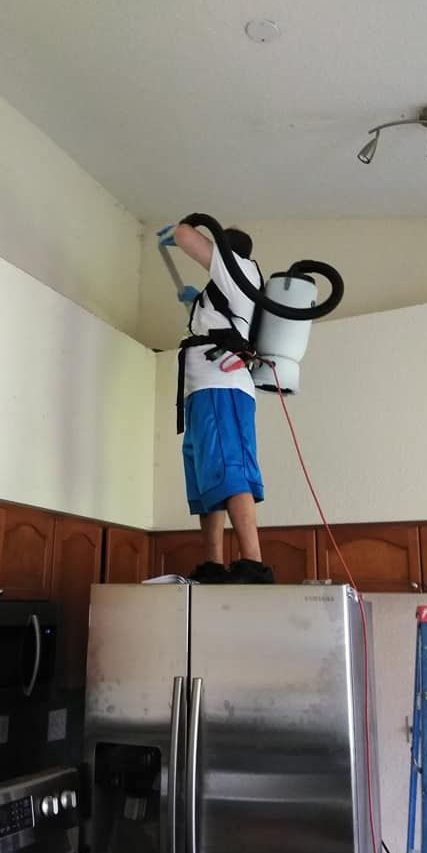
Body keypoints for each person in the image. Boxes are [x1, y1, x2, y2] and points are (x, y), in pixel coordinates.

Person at [158, 220, 274, 584]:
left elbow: (185, 236)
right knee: (207, 477)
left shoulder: (238, 268)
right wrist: (196, 301)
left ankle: (252, 564)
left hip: (221, 385)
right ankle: (213, 564)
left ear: (227, 249)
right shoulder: (225, 286)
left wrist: (185, 227)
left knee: (231, 469)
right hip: (201, 390)